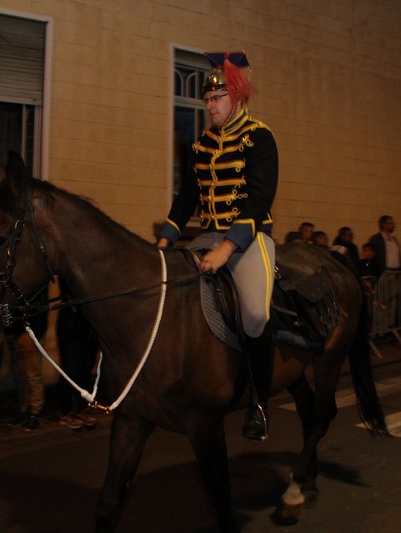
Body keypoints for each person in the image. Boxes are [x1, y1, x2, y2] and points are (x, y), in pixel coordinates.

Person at [157, 51, 278, 441]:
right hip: (208, 234)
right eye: (207, 100)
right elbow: (186, 199)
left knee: (255, 314)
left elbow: (259, 199)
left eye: (217, 98)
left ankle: (259, 403)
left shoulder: (259, 137)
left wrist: (228, 248)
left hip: (249, 237)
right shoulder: (201, 146)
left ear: (237, 96)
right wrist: (165, 240)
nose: (209, 106)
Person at [56, 279, 99, 430]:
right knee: (71, 371)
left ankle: (81, 409)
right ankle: (66, 411)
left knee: (84, 372)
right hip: (71, 329)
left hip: (88, 330)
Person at [5, 289, 47, 432]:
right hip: (15, 331)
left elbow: (40, 307)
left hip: (28, 332)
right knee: (20, 375)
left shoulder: (35, 285)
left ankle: (35, 412)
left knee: (32, 375)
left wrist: (33, 332)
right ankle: (24, 409)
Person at [368, 215, 401, 330]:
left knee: (392, 301)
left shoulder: (394, 239)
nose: (393, 225)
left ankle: (388, 326)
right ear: (384, 225)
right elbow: (372, 257)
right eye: (390, 223)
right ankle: (379, 328)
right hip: (384, 272)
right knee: (380, 302)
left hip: (395, 273)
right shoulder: (376, 239)